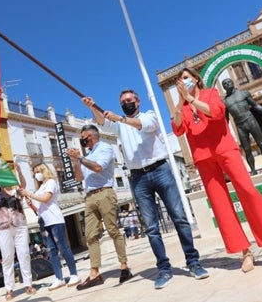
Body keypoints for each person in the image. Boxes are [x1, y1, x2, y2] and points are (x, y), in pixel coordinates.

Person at [171, 67, 262, 273]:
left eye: (185, 77)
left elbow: (216, 112)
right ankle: (245, 252)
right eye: (179, 79)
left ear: (195, 79)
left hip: (224, 149)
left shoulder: (210, 93)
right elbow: (178, 129)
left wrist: (191, 99)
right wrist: (180, 101)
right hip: (203, 158)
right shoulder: (183, 105)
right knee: (220, 204)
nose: (182, 81)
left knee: (248, 192)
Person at [82, 91, 209, 289]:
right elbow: (103, 123)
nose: (126, 104)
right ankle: (164, 269)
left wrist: (121, 118)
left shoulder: (148, 115)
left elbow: (146, 126)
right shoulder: (119, 126)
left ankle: (193, 263)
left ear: (137, 102)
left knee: (179, 218)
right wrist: (92, 106)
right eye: (122, 102)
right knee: (151, 227)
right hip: (138, 177)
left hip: (160, 169)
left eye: (129, 101)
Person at [66, 125, 133, 290]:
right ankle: (94, 273)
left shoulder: (105, 148)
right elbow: (79, 177)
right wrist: (76, 161)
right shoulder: (86, 155)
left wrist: (80, 159)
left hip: (105, 193)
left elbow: (97, 167)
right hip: (89, 197)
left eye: (83, 136)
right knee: (90, 236)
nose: (81, 139)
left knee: (112, 230)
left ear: (90, 135)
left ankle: (124, 267)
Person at [19, 163, 81, 290]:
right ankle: (59, 278)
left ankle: (74, 274)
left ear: (44, 171)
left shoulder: (51, 182)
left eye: (37, 171)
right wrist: (31, 203)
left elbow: (46, 199)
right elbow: (40, 207)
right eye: (34, 173)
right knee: (51, 251)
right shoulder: (40, 187)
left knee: (63, 248)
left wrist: (30, 194)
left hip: (55, 220)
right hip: (44, 221)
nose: (35, 175)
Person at [0, 167, 36, 301]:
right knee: (7, 258)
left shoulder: (16, 191)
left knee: (24, 254)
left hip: (20, 226)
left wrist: (19, 172)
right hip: (3, 228)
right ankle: (9, 289)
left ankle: (28, 284)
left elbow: (23, 185)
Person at [221, 77, 262, 176]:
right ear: (223, 87)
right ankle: (253, 170)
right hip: (239, 125)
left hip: (250, 120)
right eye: (224, 83)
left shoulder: (244, 93)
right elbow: (226, 119)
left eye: (229, 82)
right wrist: (223, 133)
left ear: (233, 82)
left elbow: (256, 106)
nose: (227, 84)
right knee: (246, 149)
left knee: (261, 144)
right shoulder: (225, 102)